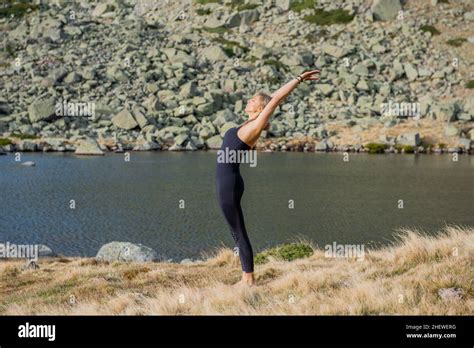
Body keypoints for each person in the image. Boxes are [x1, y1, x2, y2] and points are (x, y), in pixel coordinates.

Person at [215, 70, 320, 287]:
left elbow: (276, 99)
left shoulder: (255, 126)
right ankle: (246, 276)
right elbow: (271, 99)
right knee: (235, 229)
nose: (249, 100)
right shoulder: (246, 124)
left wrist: (298, 79)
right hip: (228, 182)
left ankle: (248, 279)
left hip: (229, 183)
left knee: (238, 230)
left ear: (261, 109)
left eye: (253, 100)